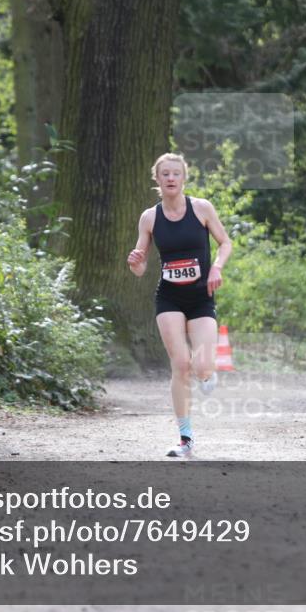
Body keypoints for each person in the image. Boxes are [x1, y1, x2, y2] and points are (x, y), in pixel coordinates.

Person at [127, 153, 232, 458]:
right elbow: (140, 266)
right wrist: (135, 262)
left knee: (201, 367)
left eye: (176, 174)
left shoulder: (201, 208)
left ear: (184, 177)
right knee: (180, 364)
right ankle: (185, 439)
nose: (171, 178)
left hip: (201, 297)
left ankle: (208, 373)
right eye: (165, 174)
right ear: (157, 180)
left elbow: (225, 243)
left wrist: (217, 268)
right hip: (169, 297)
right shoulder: (150, 218)